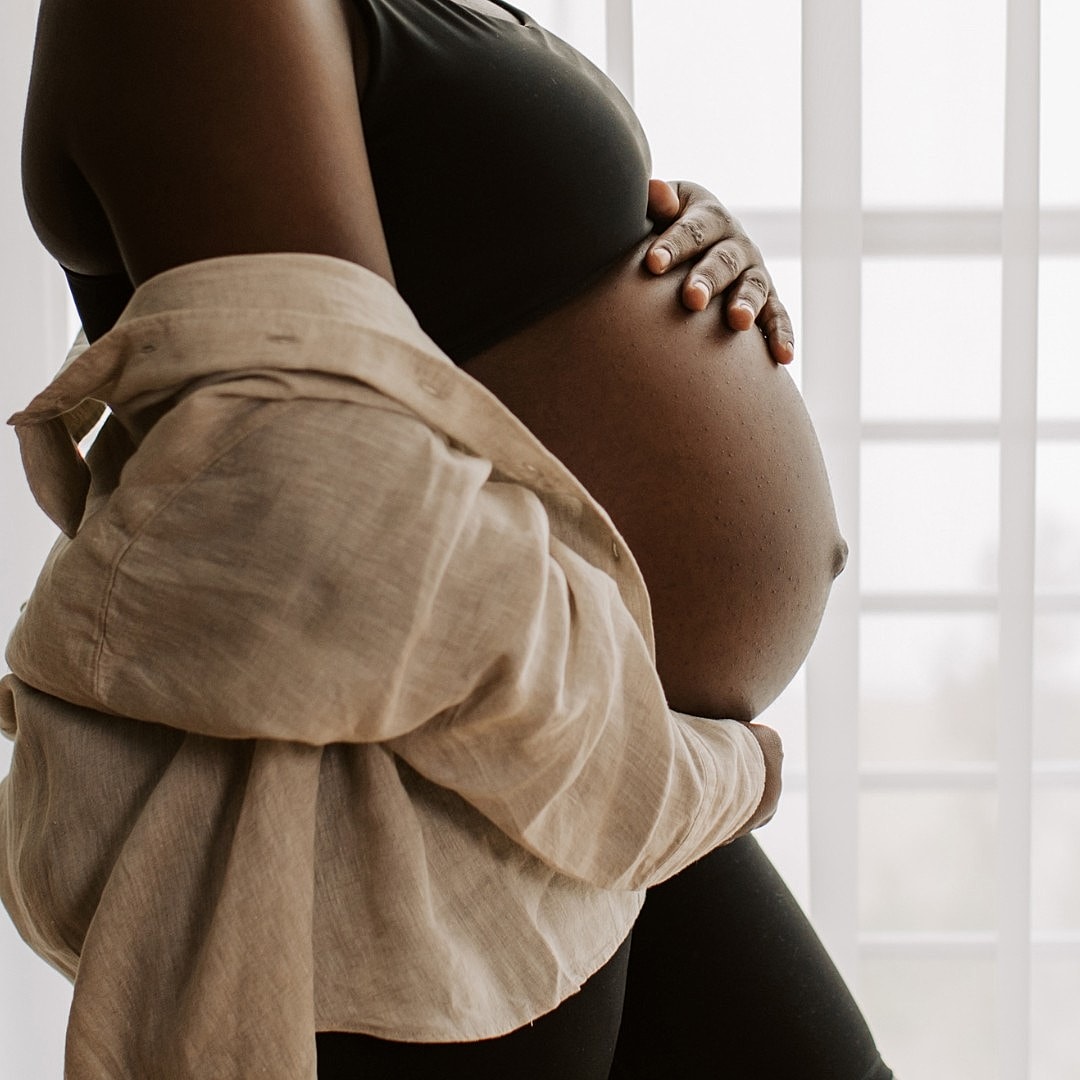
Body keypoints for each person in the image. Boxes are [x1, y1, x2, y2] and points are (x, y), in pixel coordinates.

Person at [2, 0, 892, 1077]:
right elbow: (322, 484)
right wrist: (673, 780)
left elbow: (471, 269)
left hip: (559, 766)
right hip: (416, 809)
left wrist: (666, 243)